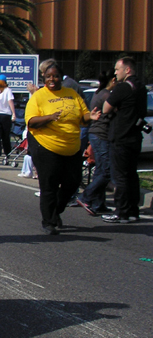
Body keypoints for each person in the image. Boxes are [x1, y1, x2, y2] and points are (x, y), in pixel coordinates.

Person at [25, 62, 96, 235]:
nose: (52, 79)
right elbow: (31, 121)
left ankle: (56, 211)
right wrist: (49, 117)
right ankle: (49, 222)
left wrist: (91, 116)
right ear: (44, 78)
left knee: (72, 183)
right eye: (49, 76)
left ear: (61, 78)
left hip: (71, 146)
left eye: (55, 76)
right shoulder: (39, 96)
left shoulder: (72, 94)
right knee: (49, 185)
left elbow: (83, 116)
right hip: (46, 146)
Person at [101, 56, 148, 224]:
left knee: (119, 176)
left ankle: (121, 212)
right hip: (135, 136)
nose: (115, 72)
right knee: (131, 175)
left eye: (117, 69)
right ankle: (132, 211)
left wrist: (113, 92)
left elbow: (106, 108)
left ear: (127, 70)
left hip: (120, 136)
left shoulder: (122, 88)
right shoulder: (141, 87)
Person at [76, 72, 115, 216]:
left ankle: (98, 204)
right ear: (113, 80)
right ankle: (86, 196)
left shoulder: (99, 93)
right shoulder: (106, 95)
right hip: (101, 134)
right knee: (106, 171)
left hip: (96, 134)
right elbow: (115, 110)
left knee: (100, 169)